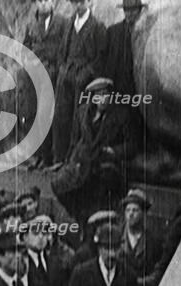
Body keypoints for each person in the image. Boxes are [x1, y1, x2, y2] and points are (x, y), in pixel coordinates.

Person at [52, 77, 139, 225]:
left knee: (99, 190)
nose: (103, 99)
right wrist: (68, 162)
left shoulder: (121, 115)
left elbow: (132, 146)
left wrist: (113, 151)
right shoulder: (82, 112)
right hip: (81, 161)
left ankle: (93, 222)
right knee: (58, 184)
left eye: (106, 95)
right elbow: (74, 140)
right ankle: (81, 217)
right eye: (98, 95)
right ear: (92, 97)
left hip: (105, 163)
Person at [50, 0, 107, 166]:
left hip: (84, 78)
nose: (78, 5)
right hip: (66, 74)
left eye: (81, 1)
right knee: (61, 115)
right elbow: (61, 51)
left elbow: (100, 57)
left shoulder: (98, 27)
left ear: (89, 1)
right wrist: (62, 69)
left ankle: (73, 160)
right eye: (74, 2)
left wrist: (86, 74)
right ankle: (59, 158)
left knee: (78, 118)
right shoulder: (68, 24)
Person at [22, 0, 68, 169]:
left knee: (49, 115)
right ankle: (39, 156)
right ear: (35, 4)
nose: (43, 4)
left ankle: (53, 157)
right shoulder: (31, 25)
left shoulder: (62, 22)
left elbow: (65, 48)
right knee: (33, 114)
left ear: (52, 1)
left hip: (53, 74)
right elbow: (25, 48)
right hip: (35, 75)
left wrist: (57, 67)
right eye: (40, 0)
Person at [104, 0, 146, 98]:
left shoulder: (146, 33)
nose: (130, 13)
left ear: (140, 10)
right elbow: (105, 61)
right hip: (118, 90)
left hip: (140, 90)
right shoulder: (112, 32)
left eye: (133, 9)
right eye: (127, 9)